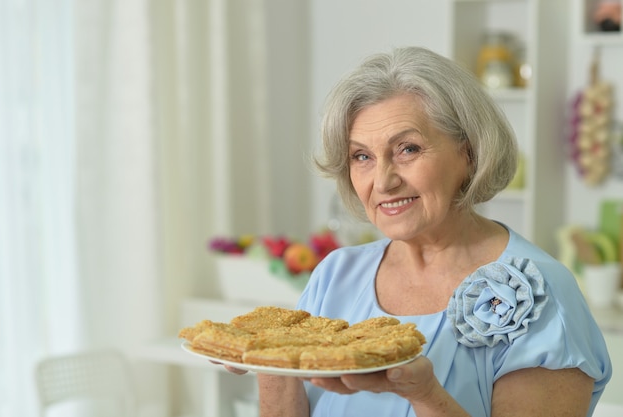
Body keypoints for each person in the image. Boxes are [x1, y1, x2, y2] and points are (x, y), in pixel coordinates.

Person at [230, 46, 612, 416]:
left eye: (408, 149)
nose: (383, 181)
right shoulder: (335, 275)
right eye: (361, 156)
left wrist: (425, 394)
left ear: (469, 153)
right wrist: (270, 361)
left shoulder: (542, 293)